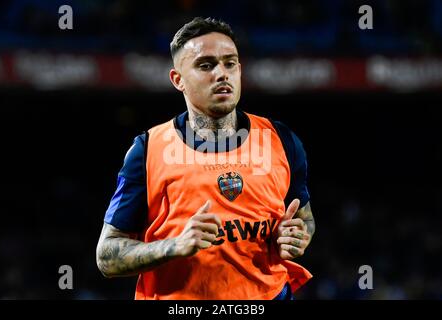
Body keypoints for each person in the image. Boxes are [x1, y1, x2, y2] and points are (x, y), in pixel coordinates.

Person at [96, 17, 315, 300]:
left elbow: (305, 219)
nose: (222, 74)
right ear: (178, 80)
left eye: (230, 63)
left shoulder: (281, 140)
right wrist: (175, 245)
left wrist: (298, 236)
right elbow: (107, 256)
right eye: (206, 65)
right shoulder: (148, 150)